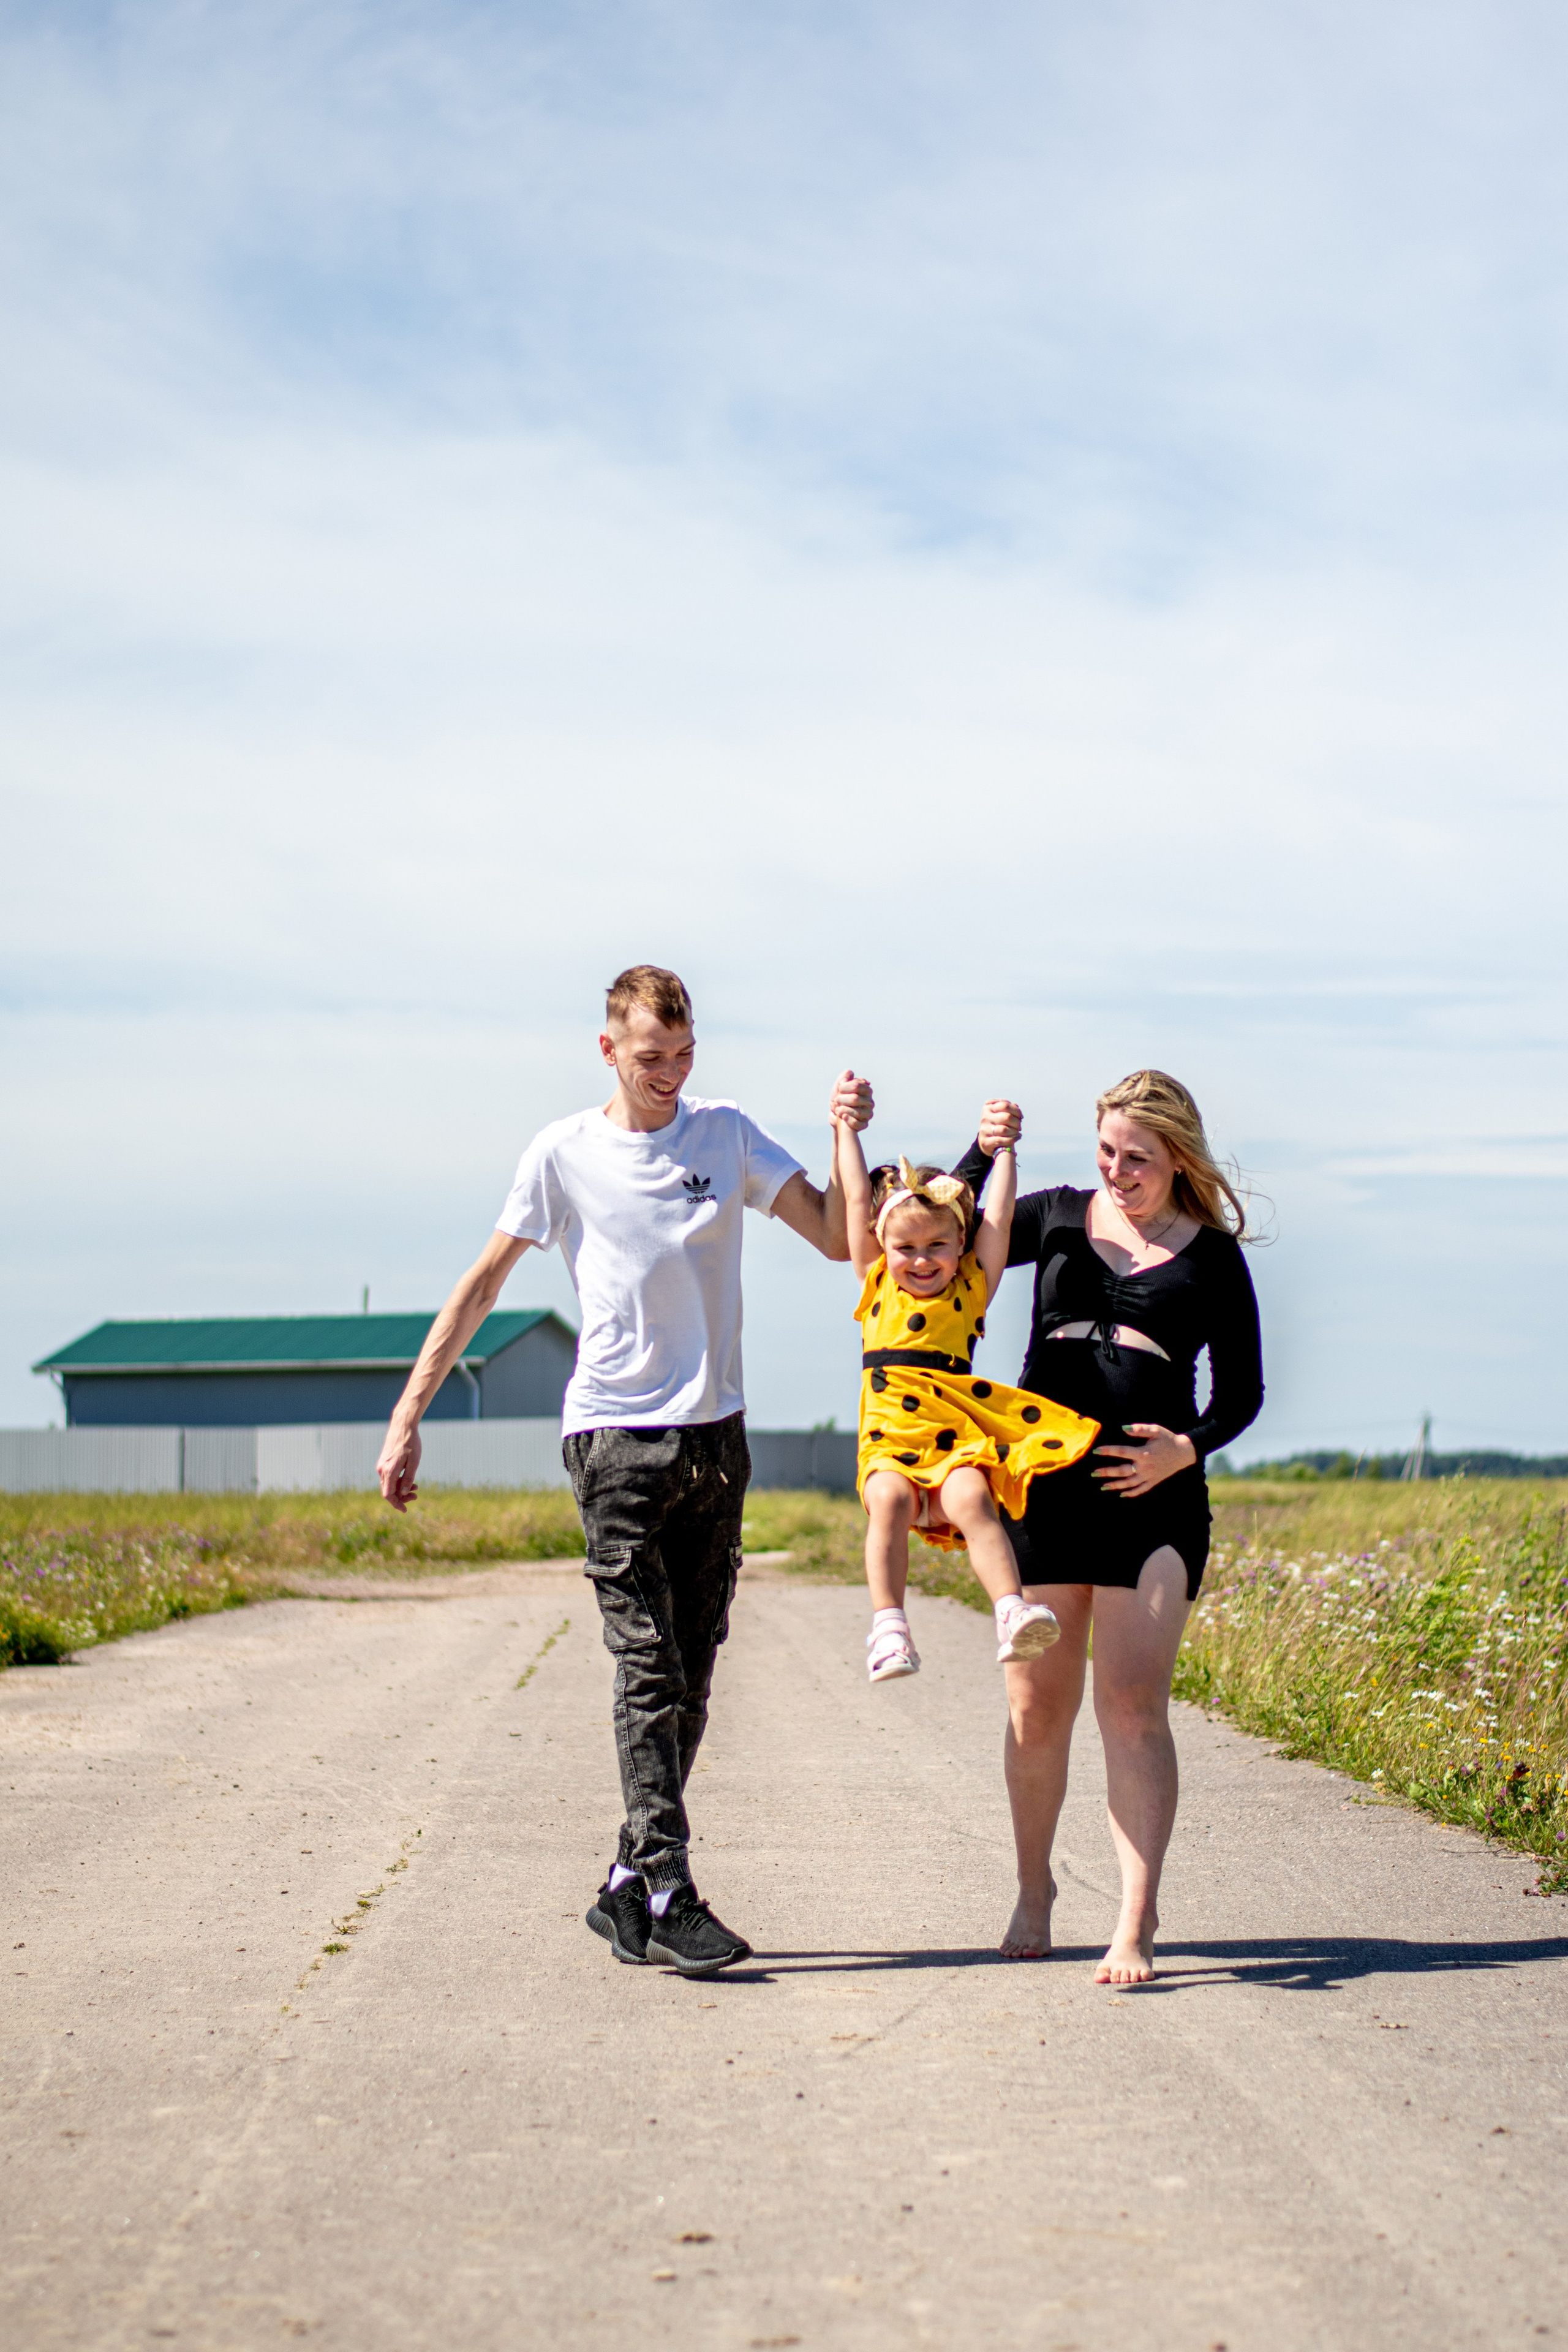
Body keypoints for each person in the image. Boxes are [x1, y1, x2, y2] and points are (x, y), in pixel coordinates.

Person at [377, 965, 872, 1979]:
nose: (671, 1076)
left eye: (685, 1058)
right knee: (647, 1663)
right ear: (609, 1049)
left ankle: (623, 1885)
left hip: (716, 1442)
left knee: (690, 1674)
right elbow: (480, 1288)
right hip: (613, 1445)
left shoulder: (725, 1133)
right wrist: (408, 1414)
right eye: (652, 1059)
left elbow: (837, 1239)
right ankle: (666, 1887)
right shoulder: (562, 1154)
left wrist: (845, 1133)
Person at [953, 1071, 1264, 1986]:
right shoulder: (1051, 1215)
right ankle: (1034, 1888)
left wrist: (1187, 1449)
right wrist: (984, 1150)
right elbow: (936, 1232)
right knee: (1035, 1704)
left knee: (1131, 1709)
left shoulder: (1212, 1257)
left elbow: (1241, 1395)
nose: (1119, 1172)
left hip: (1152, 1503)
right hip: (1044, 1490)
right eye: (1107, 1154)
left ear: (1179, 1159)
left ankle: (1135, 1918)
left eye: (1138, 1158)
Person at [832, 1115, 1100, 1684]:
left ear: (960, 1246)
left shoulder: (971, 1291)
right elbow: (858, 1199)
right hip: (891, 1442)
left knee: (975, 1500)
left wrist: (1004, 1152)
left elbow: (998, 1218)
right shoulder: (876, 1283)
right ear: (884, 1245)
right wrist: (845, 1129)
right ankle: (889, 1629)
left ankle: (1011, 1611)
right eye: (905, 1247)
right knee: (888, 1502)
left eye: (937, 1245)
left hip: (954, 1438)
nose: (922, 1259)